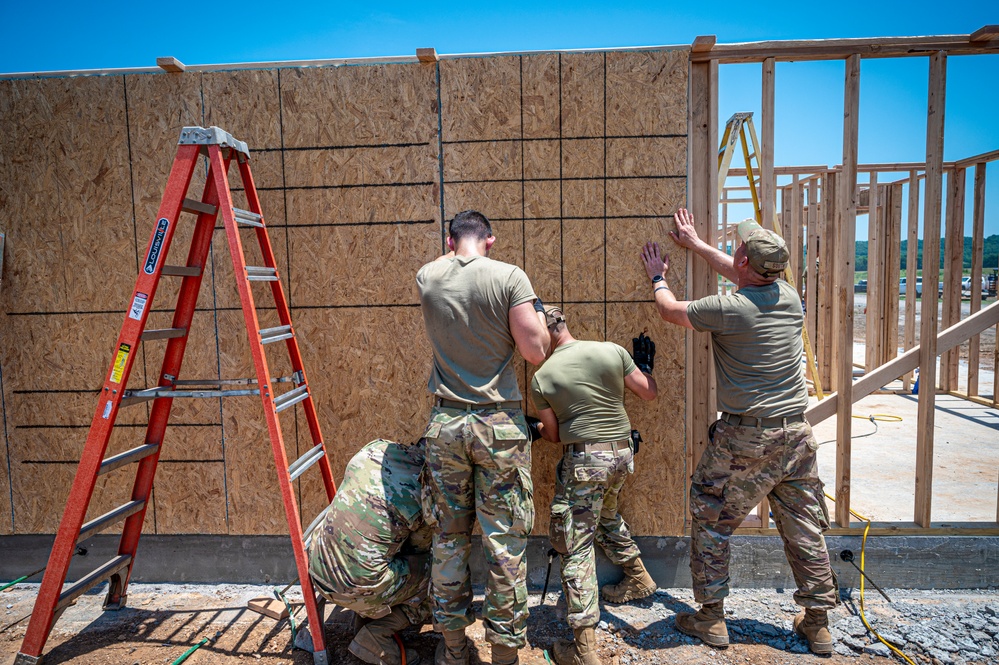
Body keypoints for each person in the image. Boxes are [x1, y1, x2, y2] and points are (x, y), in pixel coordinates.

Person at [639, 209, 838, 655]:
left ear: (745, 260)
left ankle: (710, 619)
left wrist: (658, 276)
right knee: (804, 526)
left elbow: (670, 310)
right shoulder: (788, 296)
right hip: (797, 436)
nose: (735, 252)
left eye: (739, 249)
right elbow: (739, 272)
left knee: (711, 518)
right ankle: (818, 625)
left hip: (747, 439)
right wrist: (696, 244)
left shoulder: (730, 309)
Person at [416, 210, 550, 665]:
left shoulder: (427, 277)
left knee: (449, 540)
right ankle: (506, 656)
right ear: (490, 240)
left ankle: (453, 650)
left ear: (450, 240)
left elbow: (446, 264)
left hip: (445, 425)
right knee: (504, 543)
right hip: (498, 428)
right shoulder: (509, 277)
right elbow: (535, 350)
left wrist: (454, 253)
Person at [529, 307, 658, 665]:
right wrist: (643, 368)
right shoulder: (611, 350)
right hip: (621, 456)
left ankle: (584, 652)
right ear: (565, 325)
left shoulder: (542, 377)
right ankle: (638, 577)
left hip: (585, 464)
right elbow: (649, 393)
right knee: (606, 514)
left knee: (577, 546)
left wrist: (534, 428)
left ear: (542, 334)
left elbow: (554, 436)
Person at [308, 438, 431, 665]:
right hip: (357, 588)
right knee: (438, 575)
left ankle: (365, 617)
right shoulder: (423, 490)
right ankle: (376, 636)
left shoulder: (376, 448)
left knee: (376, 552)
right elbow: (419, 553)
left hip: (318, 571)